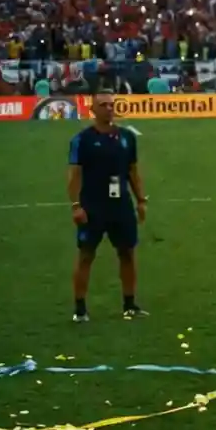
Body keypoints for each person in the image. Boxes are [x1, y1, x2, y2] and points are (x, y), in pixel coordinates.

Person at [68, 89, 146, 321]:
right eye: (103, 105)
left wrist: (141, 200)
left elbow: (133, 171)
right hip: (92, 207)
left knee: (127, 254)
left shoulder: (127, 137)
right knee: (86, 256)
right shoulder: (82, 140)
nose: (109, 109)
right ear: (92, 109)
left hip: (121, 205)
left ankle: (130, 305)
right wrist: (76, 205)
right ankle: (80, 309)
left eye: (111, 105)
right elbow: (74, 175)